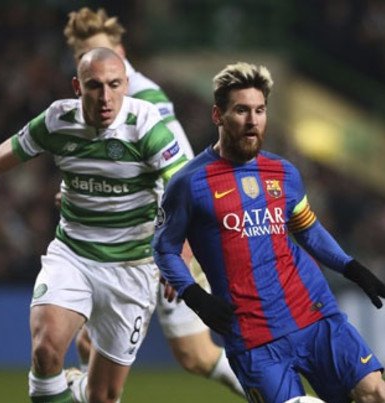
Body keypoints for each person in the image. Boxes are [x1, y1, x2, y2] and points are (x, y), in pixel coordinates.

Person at [0, 47, 188, 403]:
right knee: (45, 351)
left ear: (125, 85)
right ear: (77, 87)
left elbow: (184, 190)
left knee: (103, 397)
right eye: (94, 86)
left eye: (114, 85)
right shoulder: (57, 120)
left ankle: (77, 388)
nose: (105, 97)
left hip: (131, 268)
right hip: (73, 256)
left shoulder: (145, 124)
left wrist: (178, 251)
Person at [153, 61, 385, 402]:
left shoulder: (284, 172)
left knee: (375, 392)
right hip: (253, 337)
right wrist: (196, 297)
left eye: (259, 110)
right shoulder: (188, 183)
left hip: (314, 314)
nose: (252, 120)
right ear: (218, 115)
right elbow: (164, 248)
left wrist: (351, 268)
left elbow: (308, 230)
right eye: (241, 110)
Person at [63, 7, 244, 397]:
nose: (92, 61)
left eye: (99, 52)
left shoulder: (144, 100)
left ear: (120, 52)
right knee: (195, 355)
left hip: (162, 236)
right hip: (140, 236)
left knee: (93, 344)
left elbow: (181, 172)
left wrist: (180, 244)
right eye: (82, 56)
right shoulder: (99, 100)